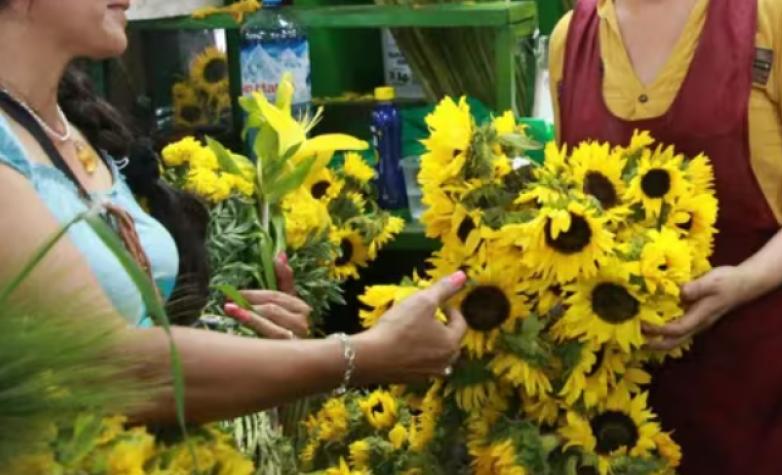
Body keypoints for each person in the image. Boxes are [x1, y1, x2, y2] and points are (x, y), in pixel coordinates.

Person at [0, 0, 467, 425]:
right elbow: (110, 368)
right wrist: (360, 355)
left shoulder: (67, 126)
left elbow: (135, 329)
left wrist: (233, 328)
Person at [550, 0, 782, 472]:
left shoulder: (781, 14)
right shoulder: (572, 40)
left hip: (780, 373)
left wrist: (747, 280)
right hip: (641, 398)